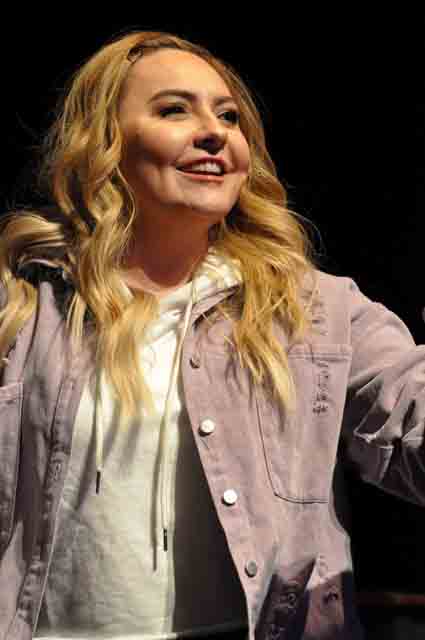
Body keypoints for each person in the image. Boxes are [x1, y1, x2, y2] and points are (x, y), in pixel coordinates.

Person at [0, 28, 422, 640]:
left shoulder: (312, 310)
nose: (214, 132)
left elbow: (410, 413)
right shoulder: (23, 306)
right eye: (174, 110)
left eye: (228, 116)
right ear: (105, 143)